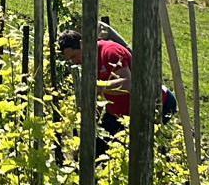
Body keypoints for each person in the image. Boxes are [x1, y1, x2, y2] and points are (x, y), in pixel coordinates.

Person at [58, 27, 174, 155]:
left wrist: (100, 87)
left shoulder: (110, 52)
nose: (75, 62)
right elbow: (101, 97)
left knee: (143, 152)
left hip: (157, 104)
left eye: (74, 56)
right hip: (120, 113)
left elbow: (128, 84)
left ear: (82, 43)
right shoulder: (88, 62)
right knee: (97, 150)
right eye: (70, 60)